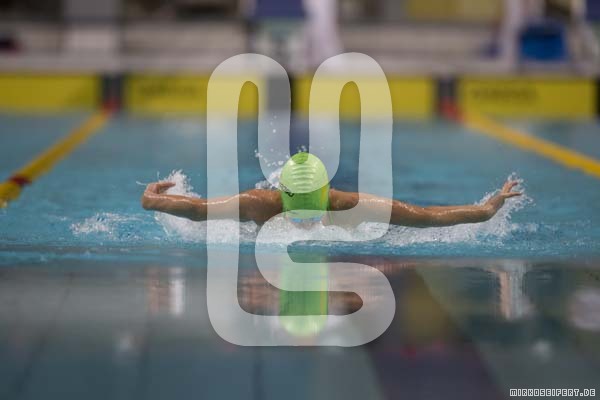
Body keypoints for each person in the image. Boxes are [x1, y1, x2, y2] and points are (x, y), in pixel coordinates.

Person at [141, 152, 521, 227]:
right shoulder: (259, 204)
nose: (305, 219)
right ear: (282, 196)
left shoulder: (349, 205)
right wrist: (152, 200)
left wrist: (487, 209)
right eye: (299, 209)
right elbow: (197, 209)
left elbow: (424, 216)